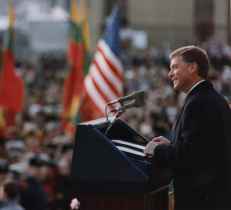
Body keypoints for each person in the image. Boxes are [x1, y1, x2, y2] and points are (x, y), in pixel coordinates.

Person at [144, 46, 231, 210]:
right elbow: (201, 148)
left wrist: (156, 150)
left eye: (175, 67)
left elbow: (188, 156)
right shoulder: (211, 98)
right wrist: (170, 145)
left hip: (201, 200)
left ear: (192, 67)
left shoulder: (198, 102)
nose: (170, 74)